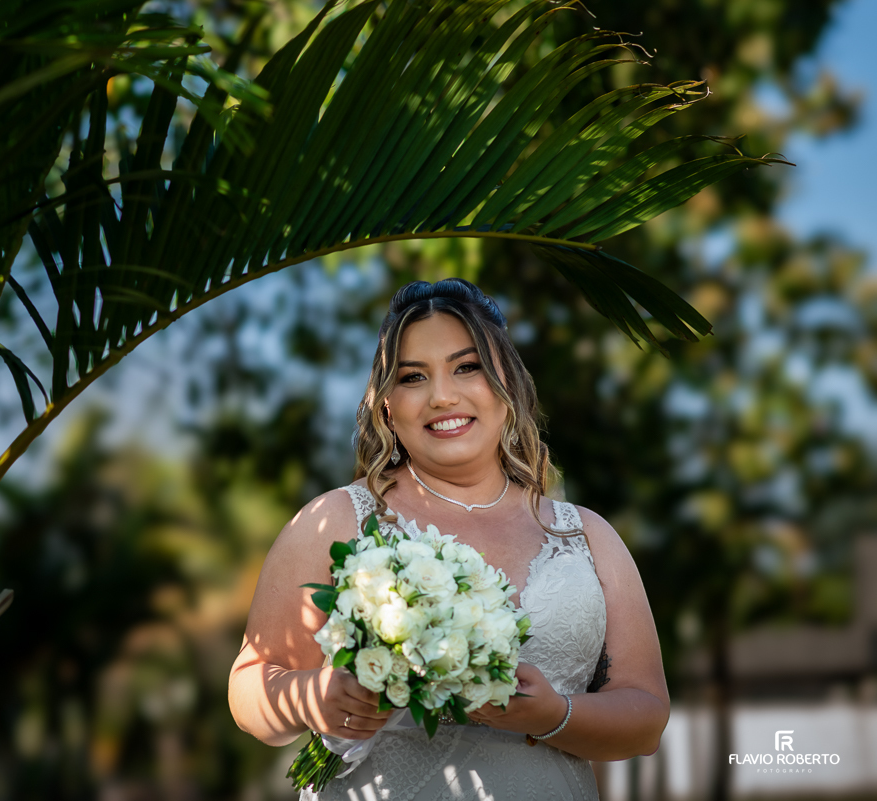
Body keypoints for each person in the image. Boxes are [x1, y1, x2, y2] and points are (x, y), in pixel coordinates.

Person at [227, 278, 669, 800]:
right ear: (387, 405)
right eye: (413, 377)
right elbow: (251, 685)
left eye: (467, 367)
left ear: (508, 386)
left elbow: (646, 716)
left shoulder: (587, 536)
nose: (442, 396)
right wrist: (316, 697)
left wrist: (555, 714)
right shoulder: (335, 521)